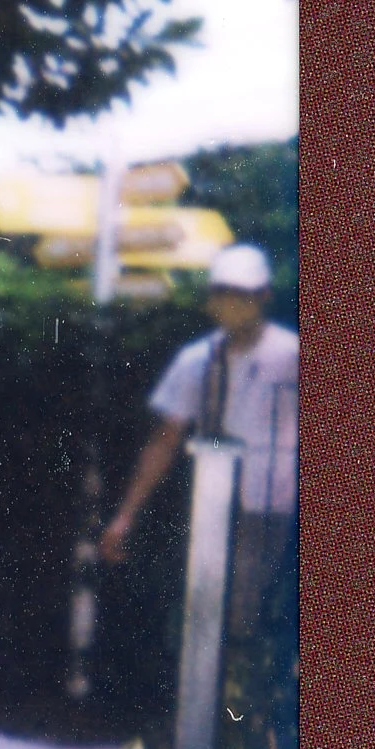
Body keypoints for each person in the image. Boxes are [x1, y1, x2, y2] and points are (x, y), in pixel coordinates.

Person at [99, 242, 298, 639]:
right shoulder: (197, 359)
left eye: (242, 294)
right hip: (211, 509)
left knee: (253, 624)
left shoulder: (292, 354)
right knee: (202, 622)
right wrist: (125, 516)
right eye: (222, 292)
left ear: (263, 297)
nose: (231, 303)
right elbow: (165, 438)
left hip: (279, 510)